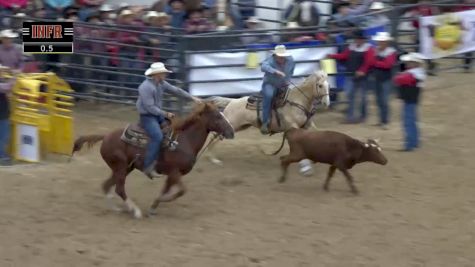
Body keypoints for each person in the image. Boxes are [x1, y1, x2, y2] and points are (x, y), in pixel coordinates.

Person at [136, 62, 201, 178]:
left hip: (157, 114)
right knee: (157, 136)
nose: (165, 75)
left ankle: (166, 157)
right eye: (164, 73)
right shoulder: (145, 87)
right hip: (147, 116)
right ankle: (148, 166)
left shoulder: (161, 84)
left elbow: (176, 90)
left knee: (175, 128)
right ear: (157, 74)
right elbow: (149, 107)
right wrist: (165, 113)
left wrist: (191, 98)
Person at [328, 29, 375, 124]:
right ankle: (352, 116)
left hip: (361, 75)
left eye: (358, 39)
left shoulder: (368, 48)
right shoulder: (354, 47)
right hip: (353, 74)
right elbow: (344, 56)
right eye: (356, 39)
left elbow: (369, 62)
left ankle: (359, 116)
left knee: (360, 96)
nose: (357, 40)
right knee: (351, 95)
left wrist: (362, 71)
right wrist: (332, 56)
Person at [393, 52, 426, 152]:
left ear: (415, 63)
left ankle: (409, 144)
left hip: (409, 99)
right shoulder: (417, 73)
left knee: (408, 122)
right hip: (412, 99)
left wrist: (400, 75)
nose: (407, 64)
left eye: (409, 62)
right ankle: (414, 142)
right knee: (412, 121)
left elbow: (398, 79)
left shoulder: (413, 74)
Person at [260, 45, 295, 134]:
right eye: (280, 56)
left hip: (283, 84)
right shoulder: (270, 60)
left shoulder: (291, 60)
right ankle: (265, 122)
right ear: (275, 55)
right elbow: (263, 67)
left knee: (292, 97)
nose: (282, 58)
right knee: (269, 96)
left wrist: (288, 80)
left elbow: (291, 71)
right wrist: (275, 71)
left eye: (283, 56)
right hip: (270, 84)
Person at [371, 32, 397, 129]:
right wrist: (378, 63)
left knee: (384, 100)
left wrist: (376, 63)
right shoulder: (377, 50)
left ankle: (384, 121)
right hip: (378, 78)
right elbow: (384, 64)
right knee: (379, 100)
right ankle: (382, 120)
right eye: (379, 42)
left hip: (386, 78)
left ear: (386, 42)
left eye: (382, 42)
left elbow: (388, 65)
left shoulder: (391, 52)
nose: (380, 43)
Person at [0, 65, 15, 166]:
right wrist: (15, 77)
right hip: (2, 114)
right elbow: (7, 87)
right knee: (4, 136)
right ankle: (2, 156)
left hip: (3, 113)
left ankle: (3, 155)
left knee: (4, 136)